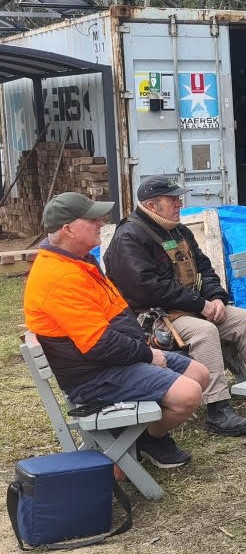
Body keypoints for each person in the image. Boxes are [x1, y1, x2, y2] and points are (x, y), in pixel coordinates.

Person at [24, 192, 209, 468]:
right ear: (68, 230)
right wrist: (148, 356)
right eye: (92, 219)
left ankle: (143, 436)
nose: (101, 223)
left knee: (200, 373)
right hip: (94, 378)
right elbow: (100, 344)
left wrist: (142, 351)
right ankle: (149, 439)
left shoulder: (79, 260)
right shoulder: (59, 277)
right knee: (188, 395)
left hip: (113, 361)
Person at [104, 175, 246, 438]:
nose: (179, 203)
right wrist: (201, 305)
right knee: (204, 332)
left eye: (178, 198)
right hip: (152, 317)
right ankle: (217, 407)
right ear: (152, 206)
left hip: (191, 307)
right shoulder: (129, 237)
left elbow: (205, 268)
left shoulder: (178, 230)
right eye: (172, 199)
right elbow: (147, 288)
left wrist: (217, 298)